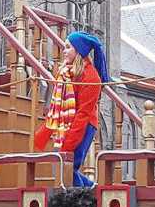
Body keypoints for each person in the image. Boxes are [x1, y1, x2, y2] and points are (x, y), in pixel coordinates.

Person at [35, 32, 109, 187]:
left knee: (65, 168)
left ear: (79, 50)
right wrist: (45, 132)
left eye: (68, 47)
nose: (64, 51)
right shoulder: (65, 73)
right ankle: (94, 191)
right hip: (67, 125)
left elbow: (83, 114)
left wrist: (68, 143)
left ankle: (93, 193)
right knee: (61, 167)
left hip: (84, 126)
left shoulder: (91, 77)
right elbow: (58, 106)